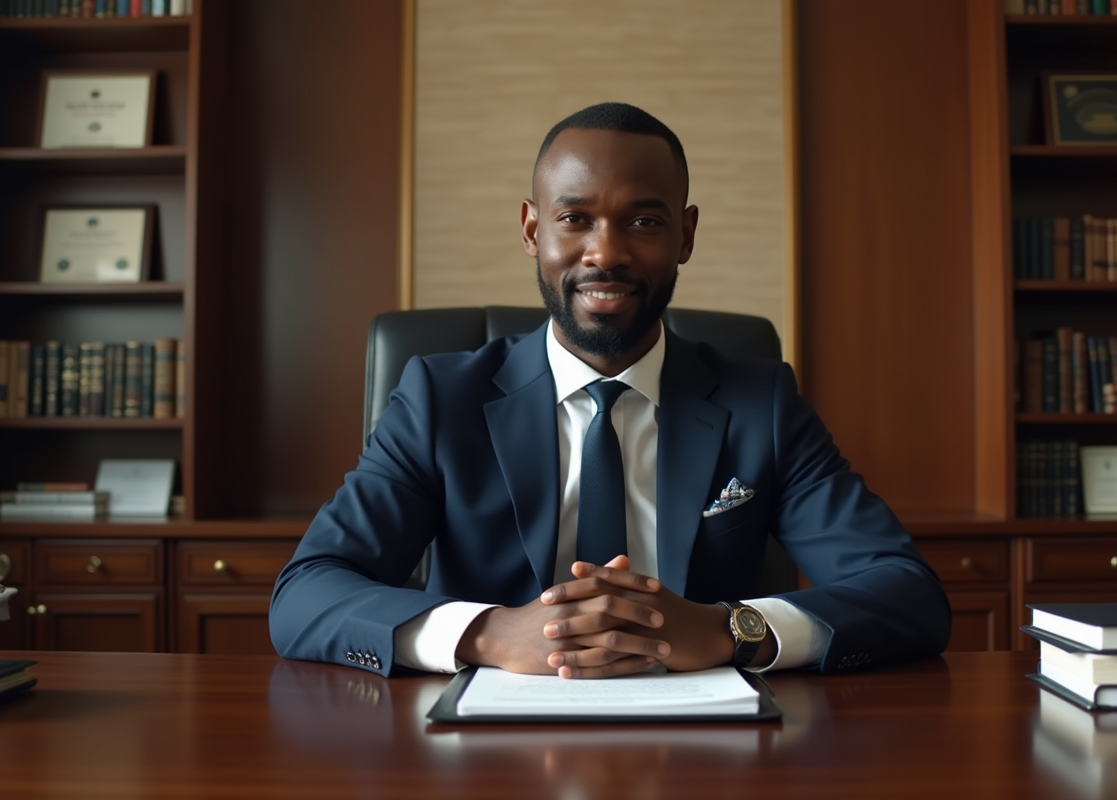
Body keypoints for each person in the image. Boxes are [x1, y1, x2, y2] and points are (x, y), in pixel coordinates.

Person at [270, 102, 950, 679]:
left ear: (685, 235)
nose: (606, 252)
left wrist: (730, 630)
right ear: (534, 231)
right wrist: (485, 635)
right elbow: (307, 593)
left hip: (710, 749)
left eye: (644, 222)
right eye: (575, 220)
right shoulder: (438, 400)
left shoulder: (760, 403)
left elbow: (908, 594)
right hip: (480, 751)